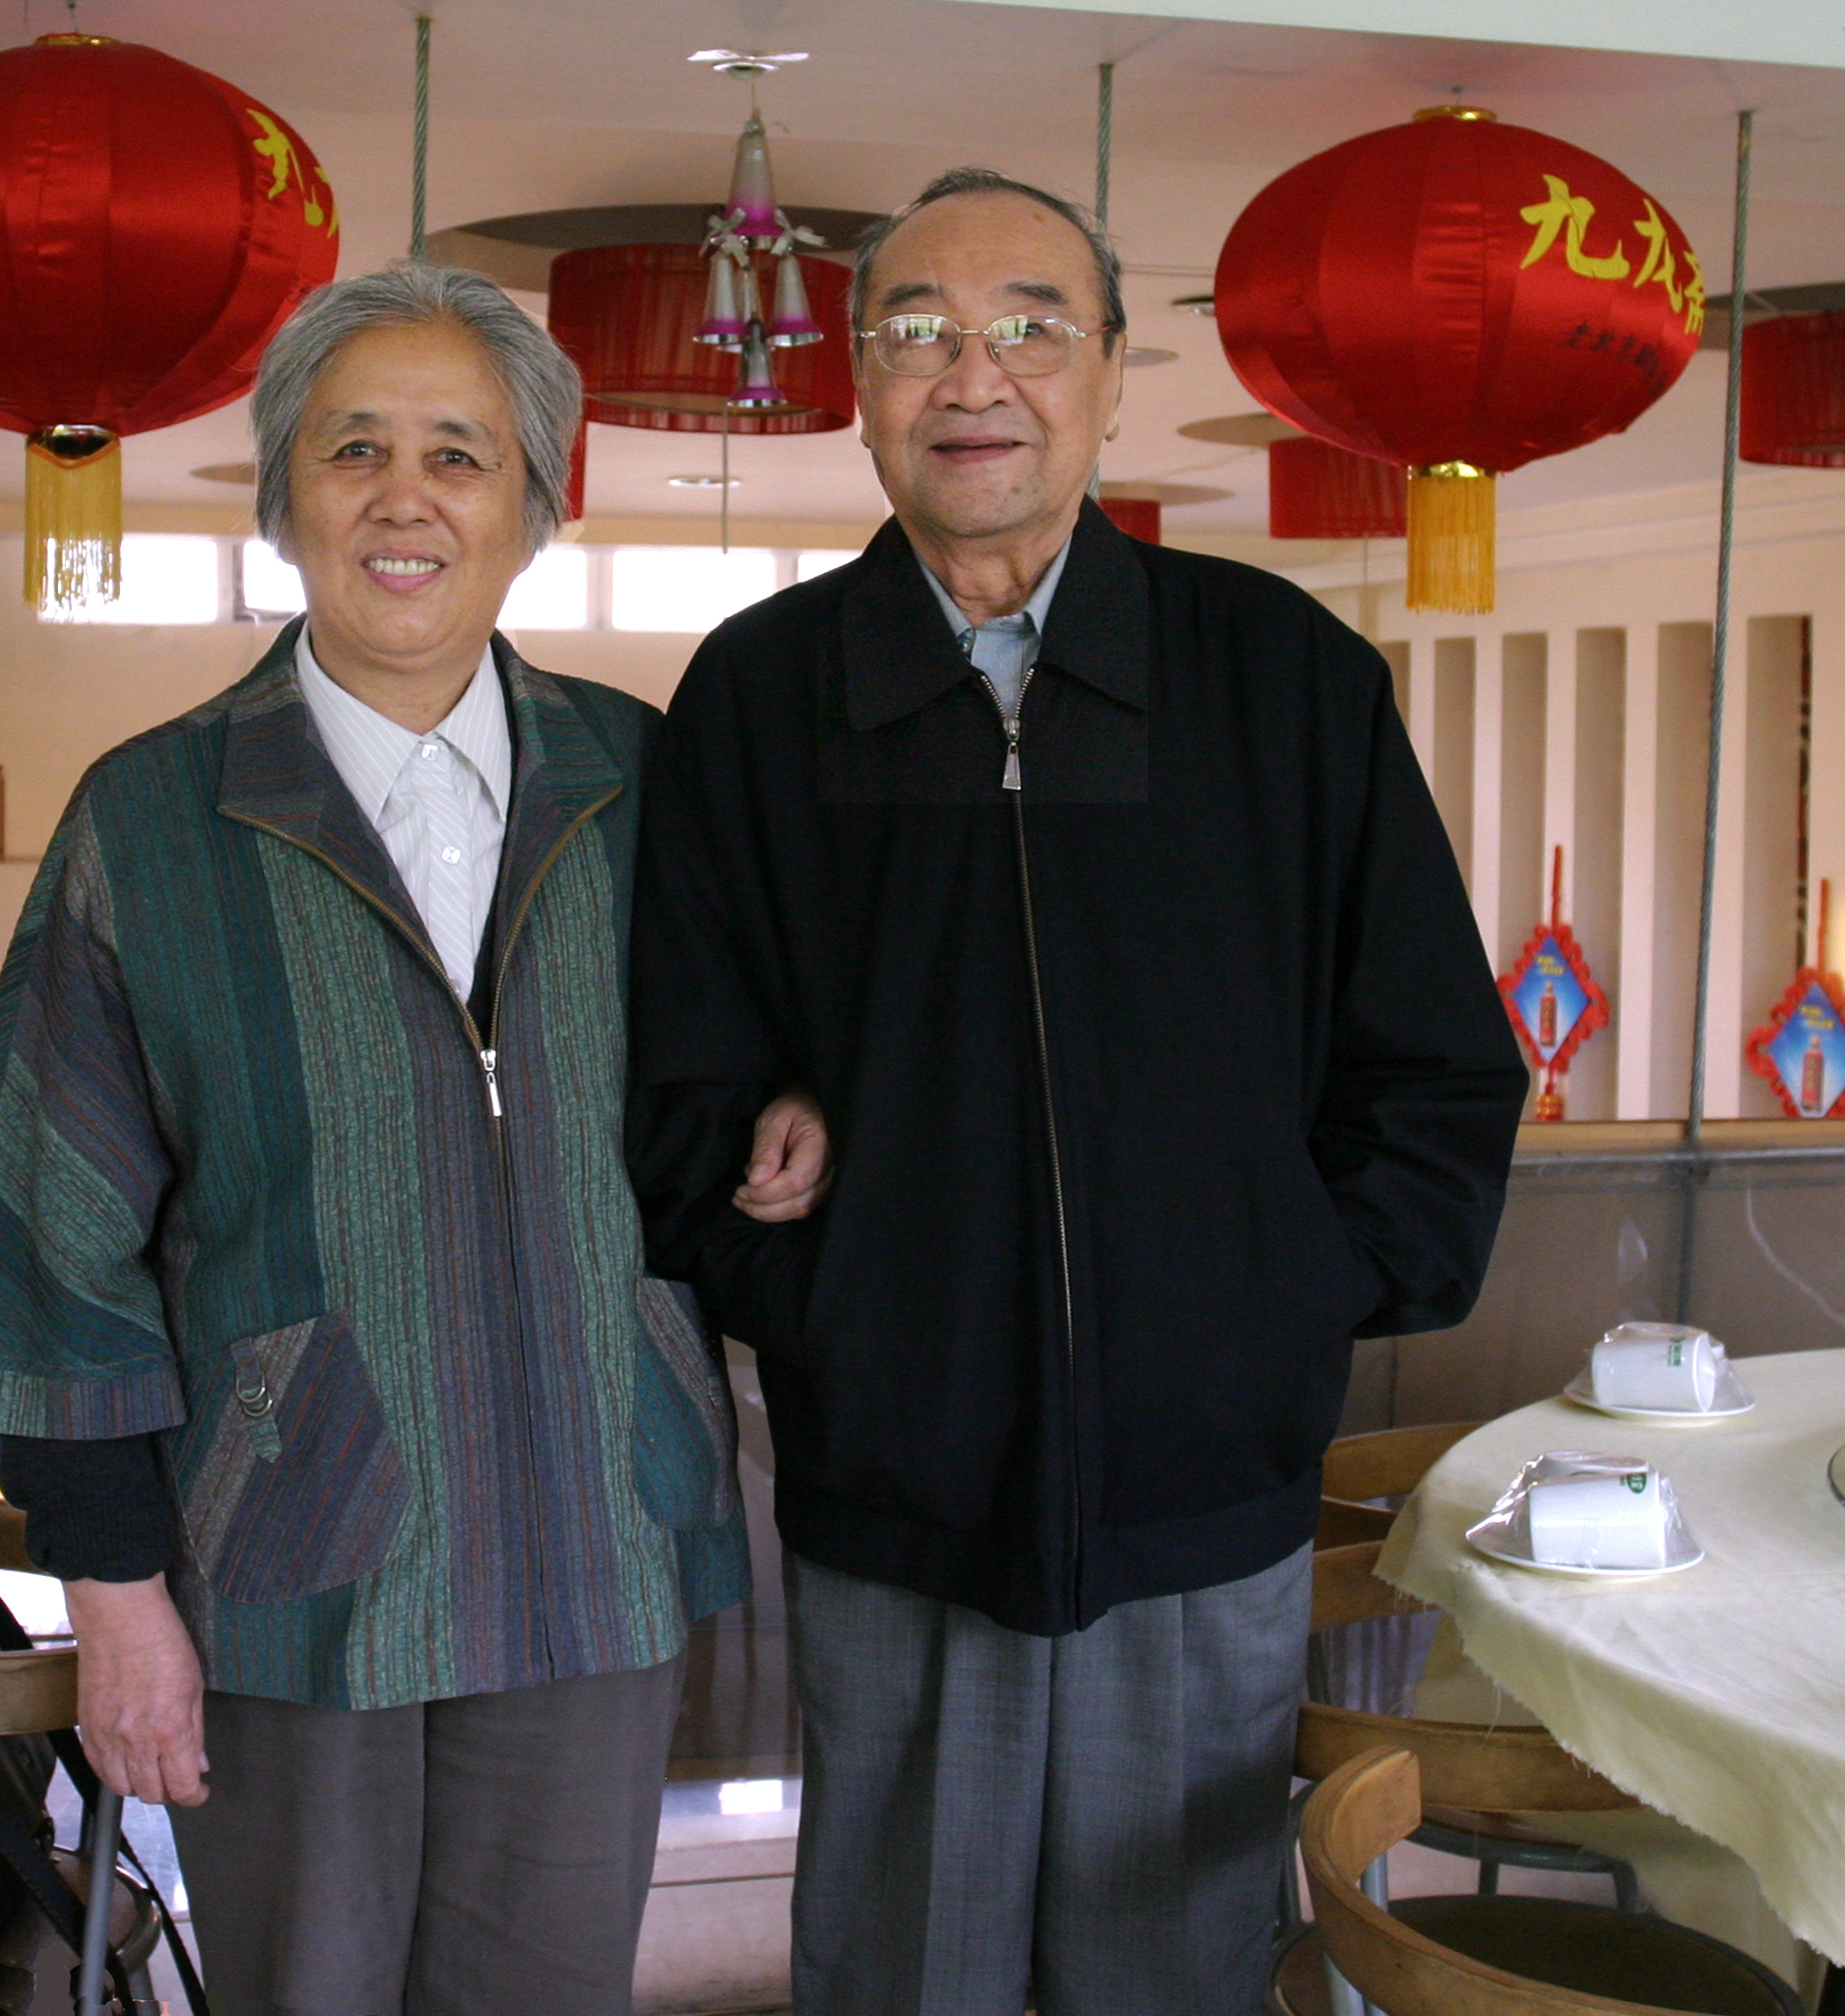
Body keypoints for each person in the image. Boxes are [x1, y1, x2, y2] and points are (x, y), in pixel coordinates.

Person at [628, 170, 1527, 2016]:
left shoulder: (1277, 677)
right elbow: (677, 1085)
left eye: (1033, 327)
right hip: (897, 1491)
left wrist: (1285, 1294)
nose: (976, 376)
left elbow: (1436, 1062)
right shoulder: (765, 695)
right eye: (919, 332)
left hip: (1205, 1493)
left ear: (1115, 373)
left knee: (1173, 1972)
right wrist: (829, 1278)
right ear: (859, 387)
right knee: (903, 1977)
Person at [0, 263, 825, 2016]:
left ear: (534, 508)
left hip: (595, 1540)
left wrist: (799, 1101)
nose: (407, 498)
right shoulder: (153, 819)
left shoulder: (645, 783)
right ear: (284, 498)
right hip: (292, 1553)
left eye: (460, 455)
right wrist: (115, 1591)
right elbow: (46, 1231)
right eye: (354, 450)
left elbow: (758, 1053)